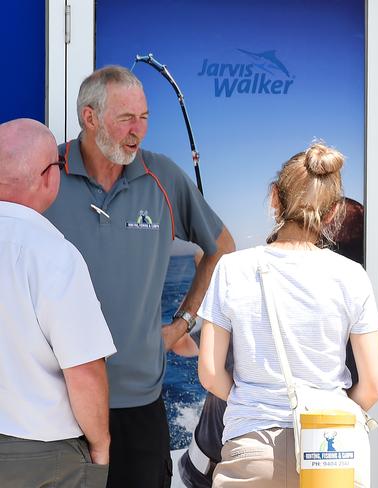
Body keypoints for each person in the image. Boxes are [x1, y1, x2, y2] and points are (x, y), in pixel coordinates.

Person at [44, 66, 235, 488]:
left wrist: (183, 323)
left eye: (144, 117)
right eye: (126, 118)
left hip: (139, 409)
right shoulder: (47, 173)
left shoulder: (162, 176)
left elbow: (222, 249)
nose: (138, 131)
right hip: (55, 407)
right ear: (89, 118)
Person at [197, 142, 378, 487]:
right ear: (332, 214)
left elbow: (210, 373)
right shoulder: (351, 275)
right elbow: (374, 384)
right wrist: (329, 409)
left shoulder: (233, 269)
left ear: (274, 198)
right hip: (330, 456)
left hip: (251, 447)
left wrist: (251, 403)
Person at [178, 197, 364, 487]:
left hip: (219, 462)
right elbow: (374, 386)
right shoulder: (350, 317)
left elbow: (185, 348)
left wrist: (204, 282)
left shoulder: (243, 287)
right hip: (320, 463)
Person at [0, 119, 116, 487]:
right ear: (49, 176)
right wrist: (101, 445)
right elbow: (83, 370)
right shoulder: (53, 254)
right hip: (43, 459)